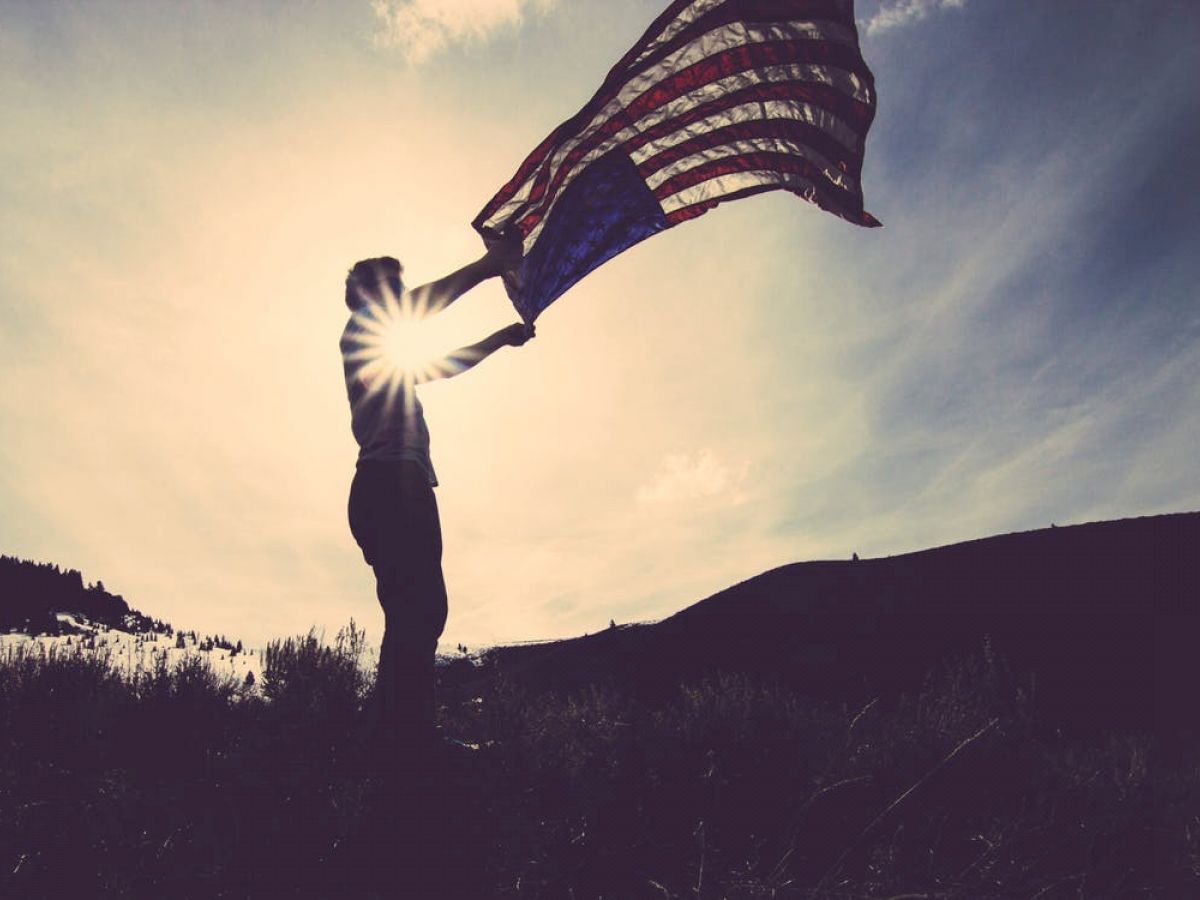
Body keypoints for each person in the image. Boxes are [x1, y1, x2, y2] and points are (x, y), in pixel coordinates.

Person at [340, 247, 532, 766]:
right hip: (391, 486)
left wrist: (499, 339)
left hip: (391, 487)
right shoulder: (360, 333)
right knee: (420, 612)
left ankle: (390, 737)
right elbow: (427, 304)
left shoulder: (385, 362)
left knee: (411, 614)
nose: (402, 298)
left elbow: (445, 365)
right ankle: (410, 743)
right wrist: (488, 266)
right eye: (394, 290)